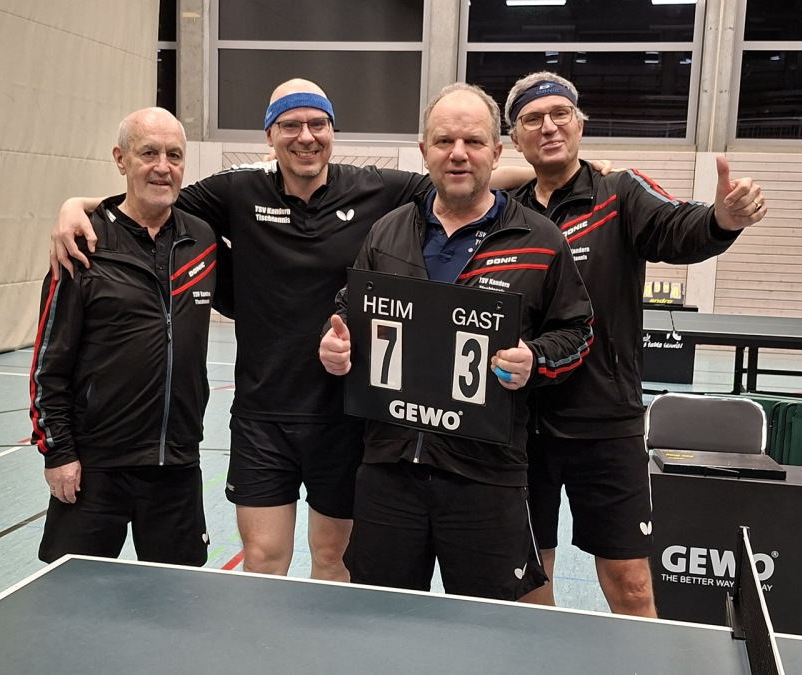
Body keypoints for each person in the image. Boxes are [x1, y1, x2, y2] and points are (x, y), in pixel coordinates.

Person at [49, 79, 545, 581]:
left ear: (332, 131)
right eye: (290, 125)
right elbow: (152, 197)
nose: (305, 136)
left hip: (343, 416)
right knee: (264, 559)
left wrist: (552, 169)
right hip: (261, 416)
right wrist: (78, 206)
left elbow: (463, 176)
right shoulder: (236, 191)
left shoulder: (376, 188)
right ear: (270, 135)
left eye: (317, 124)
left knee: (333, 558)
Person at [503, 72, 768, 616]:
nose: (548, 126)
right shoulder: (506, 209)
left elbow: (677, 227)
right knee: (529, 577)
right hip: (521, 422)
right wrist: (520, 173)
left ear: (580, 124)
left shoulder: (619, 192)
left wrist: (721, 219)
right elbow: (453, 179)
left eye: (560, 114)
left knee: (630, 584)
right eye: (532, 119)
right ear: (515, 136)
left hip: (605, 421)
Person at [318, 83, 594, 600]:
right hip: (390, 469)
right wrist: (336, 347)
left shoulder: (539, 239)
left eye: (473, 141)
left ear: (497, 151)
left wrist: (535, 359)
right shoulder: (387, 232)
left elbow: (577, 332)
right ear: (425, 151)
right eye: (444, 141)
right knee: (380, 619)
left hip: (487, 475)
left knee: (489, 628)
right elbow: (350, 311)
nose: (458, 153)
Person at [29, 107, 217, 565]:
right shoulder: (81, 245)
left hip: (176, 464)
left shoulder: (202, 240)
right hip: (95, 467)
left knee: (177, 597)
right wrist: (58, 453)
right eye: (148, 153)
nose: (163, 166)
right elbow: (49, 362)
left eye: (174, 155)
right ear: (121, 159)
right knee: (75, 596)